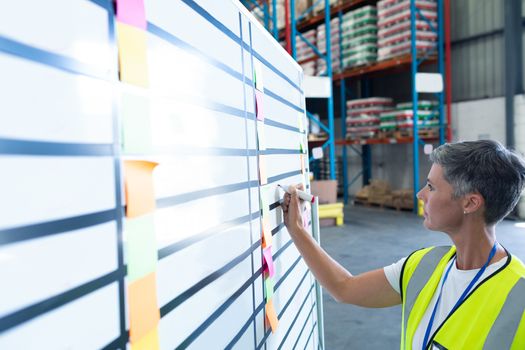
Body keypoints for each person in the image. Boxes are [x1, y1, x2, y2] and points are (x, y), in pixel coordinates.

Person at [281, 140, 525, 350]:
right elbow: (344, 288)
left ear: (470, 203)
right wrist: (298, 230)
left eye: (431, 187)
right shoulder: (422, 266)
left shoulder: (519, 295)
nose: (420, 194)